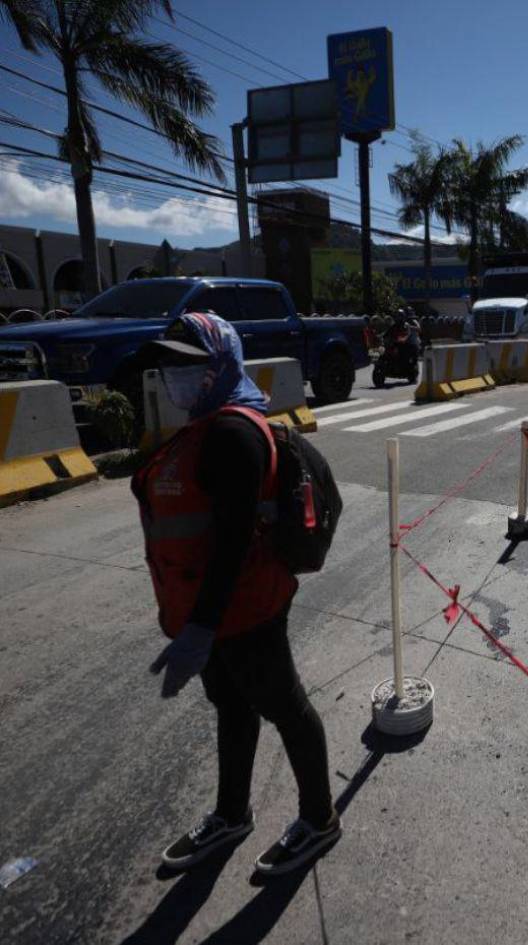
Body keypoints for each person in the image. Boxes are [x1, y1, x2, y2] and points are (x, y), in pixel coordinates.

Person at [133, 312, 339, 877]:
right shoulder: (205, 425)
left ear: (220, 365)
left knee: (286, 709)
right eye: (168, 363)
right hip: (213, 611)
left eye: (187, 363)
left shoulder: (231, 433)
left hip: (246, 608)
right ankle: (232, 813)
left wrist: (200, 627)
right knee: (232, 706)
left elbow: (231, 544)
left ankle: (319, 819)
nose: (173, 373)